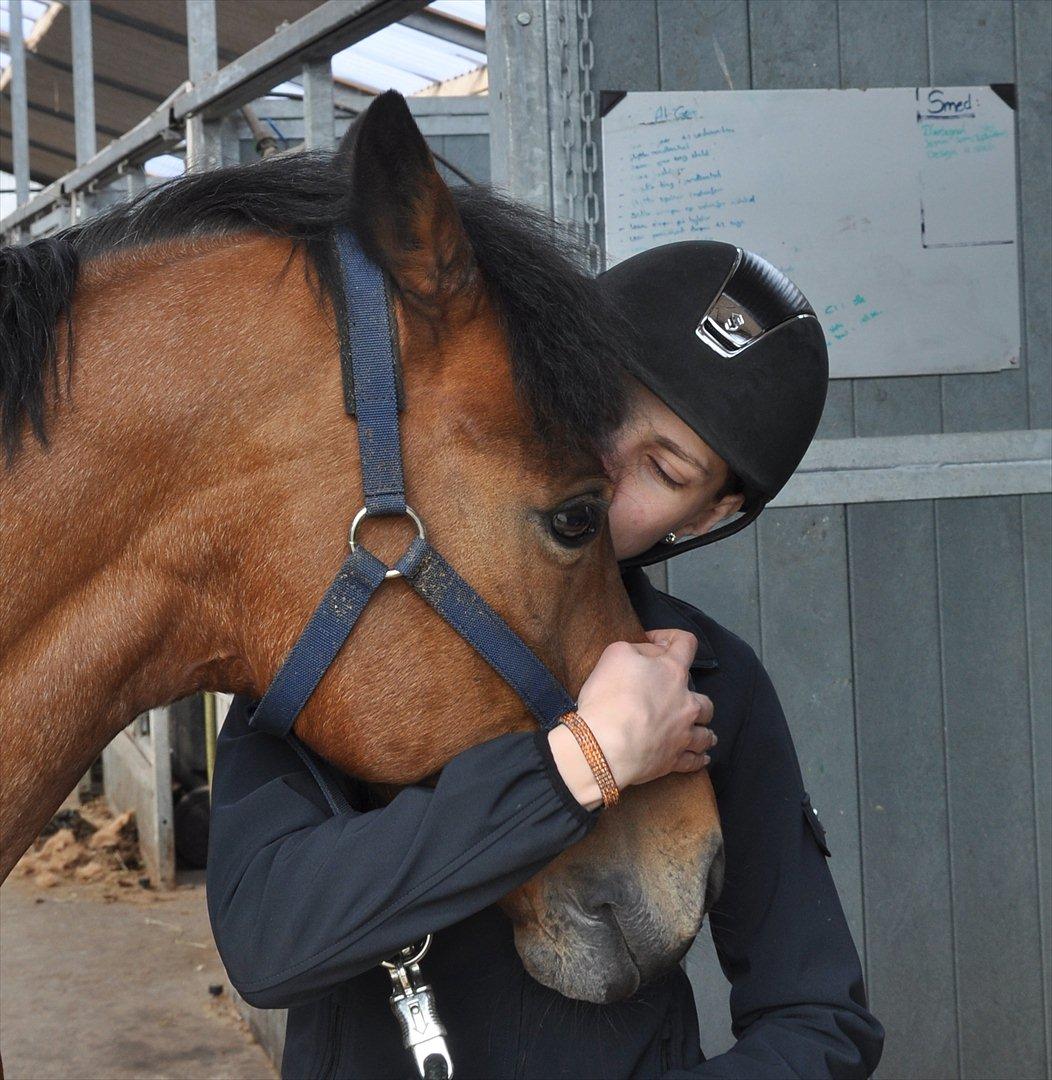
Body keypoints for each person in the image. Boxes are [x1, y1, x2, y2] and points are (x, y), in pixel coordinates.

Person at [206, 240, 884, 1079]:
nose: (597, 466)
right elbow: (267, 945)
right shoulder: (349, 633)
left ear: (705, 518)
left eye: (662, 469)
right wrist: (579, 765)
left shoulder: (710, 686)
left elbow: (819, 1018)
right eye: (595, 406)